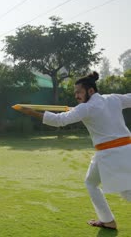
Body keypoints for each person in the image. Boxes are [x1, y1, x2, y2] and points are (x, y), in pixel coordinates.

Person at [15, 71, 131, 230]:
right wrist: (76, 109)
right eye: (75, 92)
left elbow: (58, 120)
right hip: (122, 149)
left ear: (90, 91)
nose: (76, 95)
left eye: (79, 92)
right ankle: (107, 221)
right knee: (91, 183)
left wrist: (31, 113)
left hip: (111, 154)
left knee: (126, 192)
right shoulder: (113, 98)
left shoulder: (85, 108)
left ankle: (108, 221)